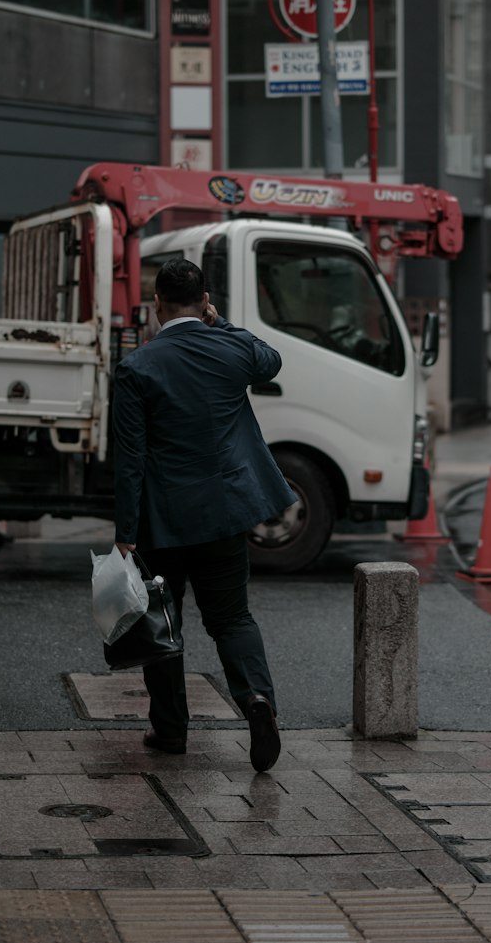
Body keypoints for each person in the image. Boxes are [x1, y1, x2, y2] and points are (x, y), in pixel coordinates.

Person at [111, 257, 296, 772]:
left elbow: (129, 458)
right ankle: (257, 701)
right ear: (204, 302)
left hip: (162, 521)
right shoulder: (231, 348)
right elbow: (270, 359)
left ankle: (170, 732)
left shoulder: (138, 367)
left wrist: (125, 533)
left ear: (156, 304)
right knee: (232, 617)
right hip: (223, 513)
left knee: (162, 624)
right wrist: (222, 323)